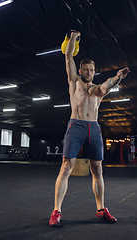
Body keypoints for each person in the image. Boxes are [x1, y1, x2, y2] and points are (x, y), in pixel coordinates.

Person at [49, 30, 130, 226]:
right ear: (80, 71)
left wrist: (118, 78)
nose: (89, 72)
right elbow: (68, 56)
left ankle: (101, 209)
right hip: (75, 125)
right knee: (66, 167)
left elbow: (106, 86)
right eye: (86, 69)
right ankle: (56, 211)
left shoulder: (96, 90)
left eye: (92, 70)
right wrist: (74, 38)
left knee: (97, 170)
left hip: (93, 128)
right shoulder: (74, 83)